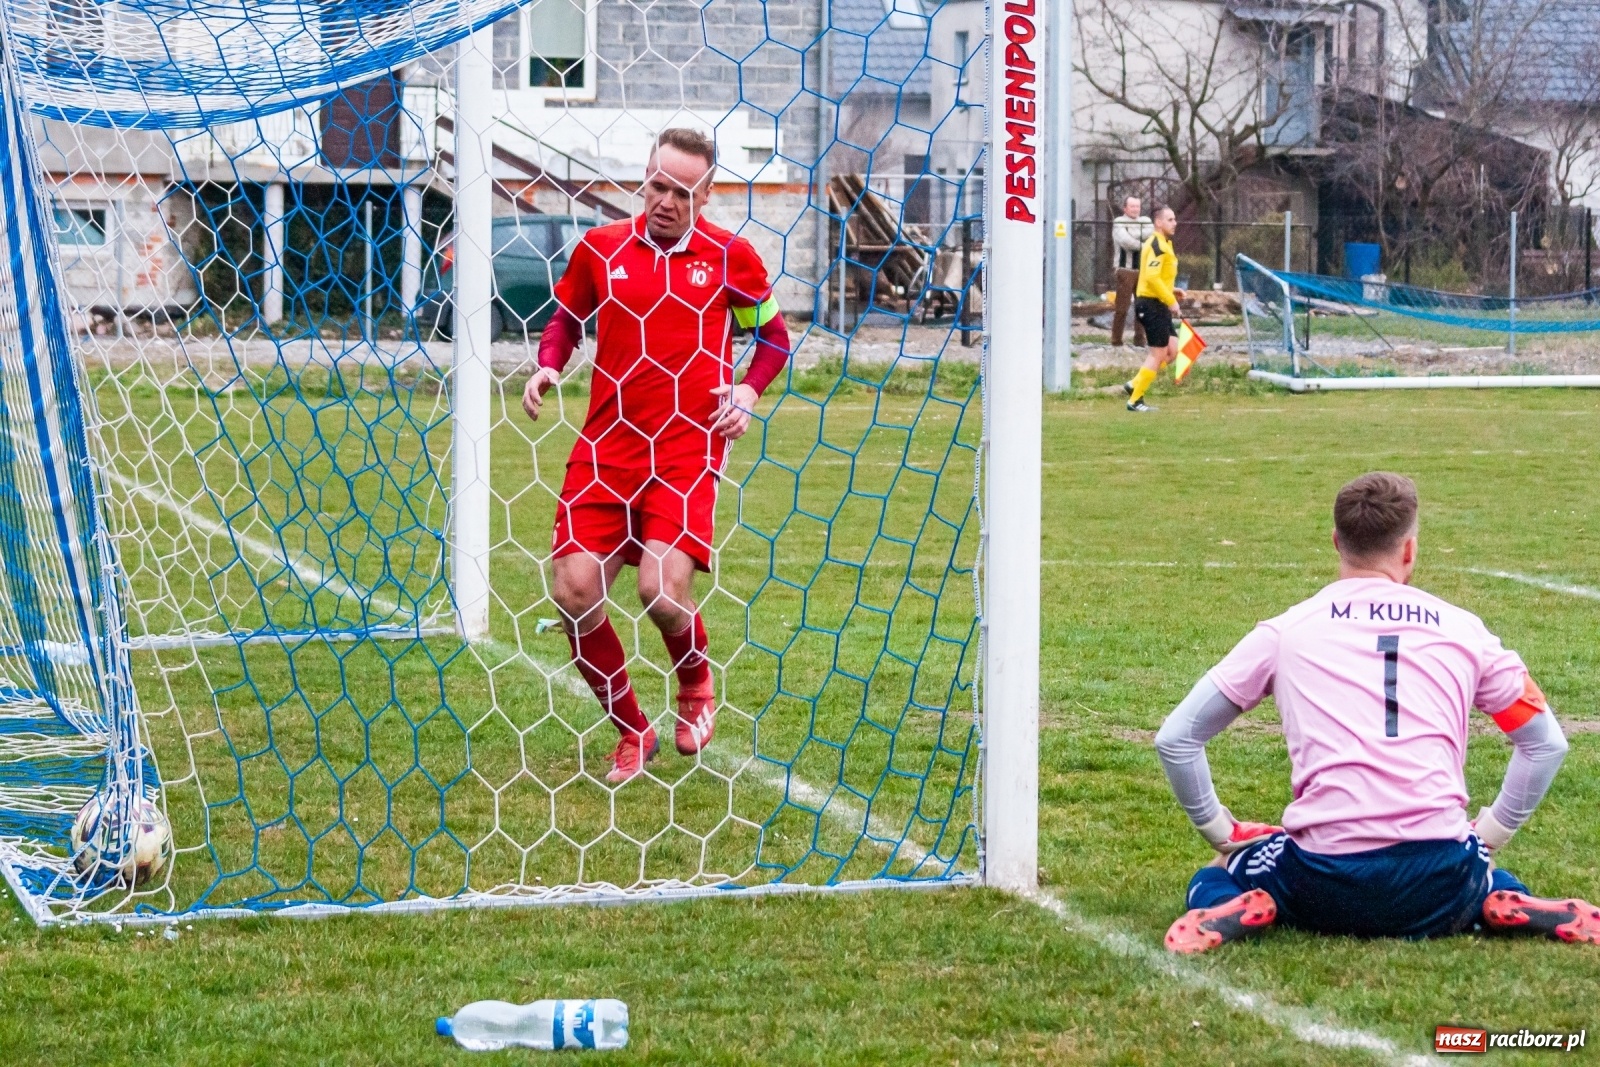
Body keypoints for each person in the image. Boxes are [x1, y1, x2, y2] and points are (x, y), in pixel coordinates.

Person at [1155, 472, 1598, 953]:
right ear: (1409, 550)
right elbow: (1545, 743)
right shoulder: (1467, 631)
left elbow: (1177, 738)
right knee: (1484, 871)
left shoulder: (1286, 631)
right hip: (1443, 876)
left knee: (1222, 871)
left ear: (1336, 542)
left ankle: (1231, 903)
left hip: (1326, 878)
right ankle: (1502, 897)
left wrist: (1222, 831)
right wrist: (1490, 833)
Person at [522, 127, 791, 783]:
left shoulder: (732, 257)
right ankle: (632, 730)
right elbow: (565, 317)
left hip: (685, 449)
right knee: (573, 591)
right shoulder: (601, 248)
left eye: (682, 191)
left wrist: (748, 392)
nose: (666, 200)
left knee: (658, 592)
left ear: (705, 196)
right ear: (645, 179)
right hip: (606, 448)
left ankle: (695, 683)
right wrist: (548, 366)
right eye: (657, 184)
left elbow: (774, 340)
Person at [1125, 206, 1185, 413]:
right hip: (1150, 304)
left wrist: (1171, 290)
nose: (1174, 223)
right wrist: (1170, 300)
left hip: (1158, 302)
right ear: (1158, 223)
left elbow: (1158, 276)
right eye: (1170, 219)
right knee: (1158, 354)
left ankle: (1135, 383)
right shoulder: (1156, 244)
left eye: (1174, 219)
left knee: (1173, 350)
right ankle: (1135, 400)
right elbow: (1150, 277)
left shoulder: (1165, 244)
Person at [1109, 196, 1151, 347]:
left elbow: (1150, 234)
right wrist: (1144, 245)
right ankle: (1116, 341)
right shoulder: (1119, 221)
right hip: (1125, 270)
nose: (1135, 209)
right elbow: (1126, 243)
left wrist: (1131, 232)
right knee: (1122, 308)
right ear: (1125, 208)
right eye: (1132, 206)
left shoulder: (1145, 221)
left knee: (1142, 307)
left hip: (1143, 270)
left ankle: (1140, 340)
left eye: (1137, 206)